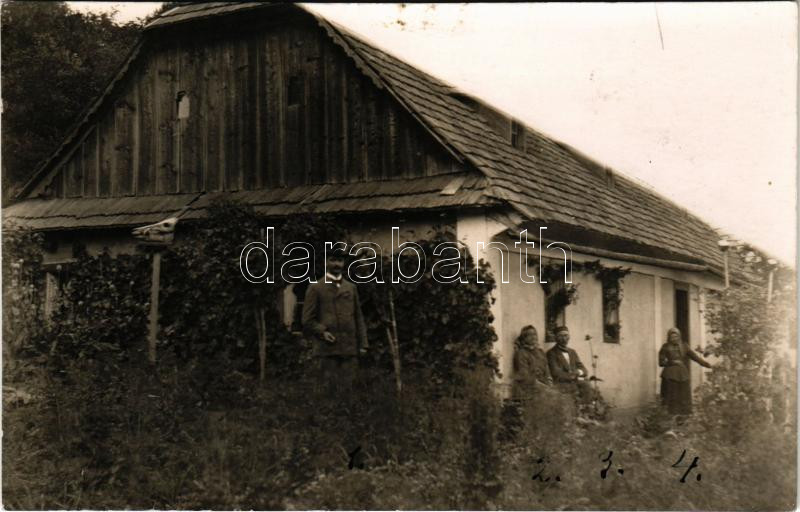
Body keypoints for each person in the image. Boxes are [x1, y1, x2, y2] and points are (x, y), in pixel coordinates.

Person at [302, 248, 369, 399]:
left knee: (349, 394)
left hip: (349, 348)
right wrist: (322, 332)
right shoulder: (315, 287)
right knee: (327, 394)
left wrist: (363, 344)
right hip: (327, 349)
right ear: (325, 262)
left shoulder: (350, 287)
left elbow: (358, 317)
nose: (337, 264)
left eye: (340, 260)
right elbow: (307, 320)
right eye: (332, 260)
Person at [658, 327, 711, 415]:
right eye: (672, 337)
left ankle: (684, 417)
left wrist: (706, 364)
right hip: (670, 376)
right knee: (672, 398)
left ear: (679, 336)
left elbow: (695, 357)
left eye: (676, 336)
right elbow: (661, 362)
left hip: (683, 375)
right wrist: (672, 362)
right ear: (669, 337)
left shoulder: (684, 346)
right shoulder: (665, 347)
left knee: (684, 396)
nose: (674, 339)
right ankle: (672, 416)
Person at [546, 325, 595, 405]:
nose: (564, 339)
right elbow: (556, 373)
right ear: (556, 338)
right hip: (561, 384)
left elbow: (584, 370)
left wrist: (578, 372)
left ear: (569, 337)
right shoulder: (551, 353)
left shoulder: (572, 352)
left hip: (575, 382)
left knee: (587, 386)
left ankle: (586, 408)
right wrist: (572, 376)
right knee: (572, 392)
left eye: (566, 335)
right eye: (561, 336)